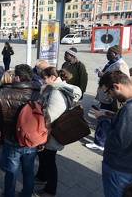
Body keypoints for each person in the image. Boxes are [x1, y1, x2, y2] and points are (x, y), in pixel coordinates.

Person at [0, 64, 50, 197]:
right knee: (28, 171)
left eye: (15, 75)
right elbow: (46, 121)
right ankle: (26, 194)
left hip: (12, 140)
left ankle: (9, 194)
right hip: (31, 141)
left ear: (18, 78)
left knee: (11, 170)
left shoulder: (4, 94)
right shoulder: (38, 96)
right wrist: (43, 140)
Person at [33, 67, 82, 197]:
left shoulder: (56, 92)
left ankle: (50, 190)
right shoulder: (53, 88)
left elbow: (51, 115)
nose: (42, 81)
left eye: (44, 78)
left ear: (52, 78)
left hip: (51, 133)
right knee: (43, 156)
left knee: (49, 161)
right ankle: (41, 176)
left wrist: (38, 126)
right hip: (48, 131)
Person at [92, 70, 132, 197]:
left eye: (109, 91)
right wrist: (115, 116)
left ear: (116, 86)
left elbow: (118, 141)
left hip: (119, 169)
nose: (110, 96)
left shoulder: (129, 109)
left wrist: (102, 119)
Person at [87, 45, 130, 151]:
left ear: (116, 54)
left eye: (109, 53)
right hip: (107, 97)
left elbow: (123, 81)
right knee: (104, 116)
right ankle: (100, 141)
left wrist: (103, 75)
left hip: (111, 99)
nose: (107, 55)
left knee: (104, 118)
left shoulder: (121, 65)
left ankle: (100, 143)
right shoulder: (111, 63)